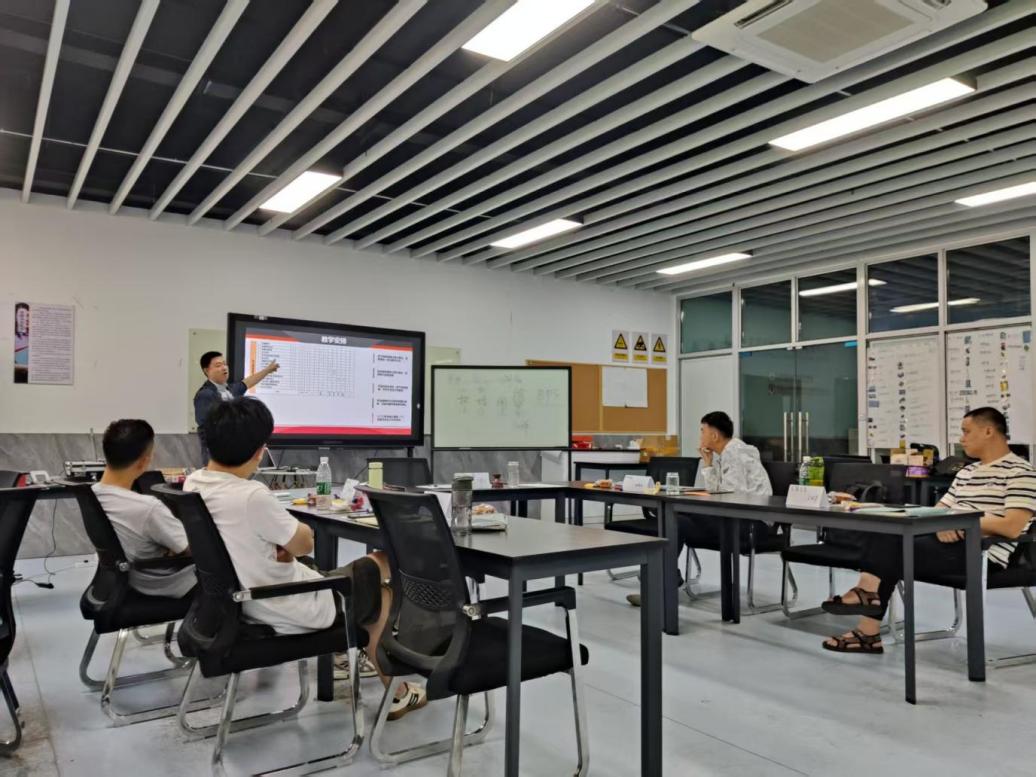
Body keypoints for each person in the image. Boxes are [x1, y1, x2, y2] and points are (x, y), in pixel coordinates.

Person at [184, 397, 426, 720]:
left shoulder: (194, 483)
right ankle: (396, 689)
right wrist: (290, 542)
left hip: (236, 602)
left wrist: (275, 547)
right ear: (259, 451)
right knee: (380, 572)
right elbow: (304, 543)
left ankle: (367, 663)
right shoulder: (251, 496)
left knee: (357, 579)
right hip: (283, 604)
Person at [821, 407, 1036, 654]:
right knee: (888, 535)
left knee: (891, 551)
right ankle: (867, 607)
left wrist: (958, 522)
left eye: (966, 432)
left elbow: (1011, 526)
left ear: (988, 431)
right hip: (949, 544)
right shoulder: (967, 472)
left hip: (983, 553)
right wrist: (945, 523)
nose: (961, 439)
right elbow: (937, 512)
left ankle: (867, 615)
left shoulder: (1021, 472)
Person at [628, 411, 772, 606]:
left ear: (714, 435)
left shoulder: (735, 453)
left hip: (750, 525)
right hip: (733, 520)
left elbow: (732, 497)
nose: (700, 435)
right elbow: (718, 493)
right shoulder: (724, 455)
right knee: (675, 521)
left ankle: (658, 580)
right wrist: (708, 464)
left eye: (702, 431)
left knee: (674, 515)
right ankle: (663, 581)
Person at [92, 419, 196, 599]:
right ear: (144, 462)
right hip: (161, 585)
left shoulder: (93, 493)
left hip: (118, 583)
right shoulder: (148, 508)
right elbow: (191, 549)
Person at [193, 351, 279, 461]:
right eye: (218, 365)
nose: (224, 368)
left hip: (234, 451)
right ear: (206, 370)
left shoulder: (230, 390)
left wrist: (267, 370)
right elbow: (205, 425)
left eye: (225, 364)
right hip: (217, 455)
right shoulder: (205, 394)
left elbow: (248, 382)